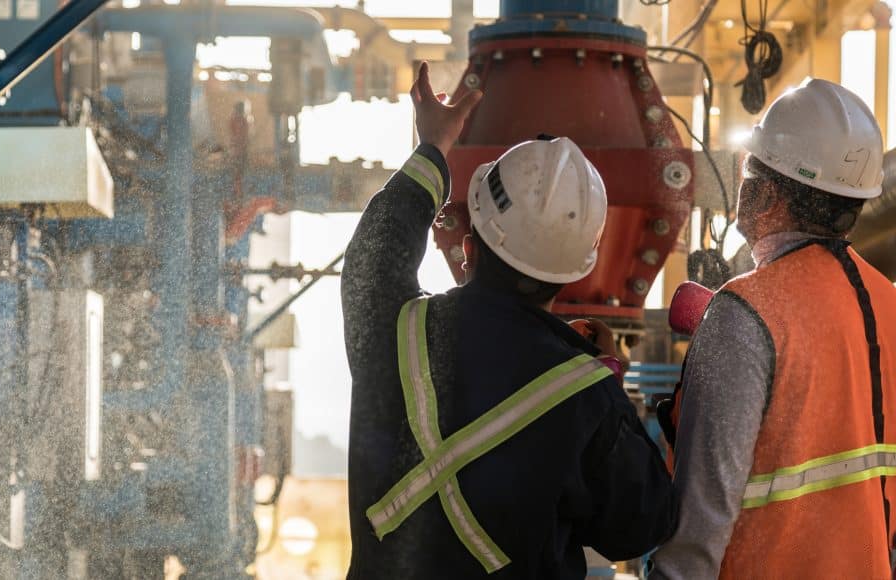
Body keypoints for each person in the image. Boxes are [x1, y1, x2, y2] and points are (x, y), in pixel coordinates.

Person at [342, 62, 676, 579]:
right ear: (568, 275)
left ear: (470, 247)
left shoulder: (396, 330)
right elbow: (636, 527)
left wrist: (433, 145)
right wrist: (604, 379)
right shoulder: (587, 394)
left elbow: (375, 252)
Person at [651, 79, 896, 579]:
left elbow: (699, 530)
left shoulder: (745, 314)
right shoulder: (890, 305)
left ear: (765, 194)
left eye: (749, 167)